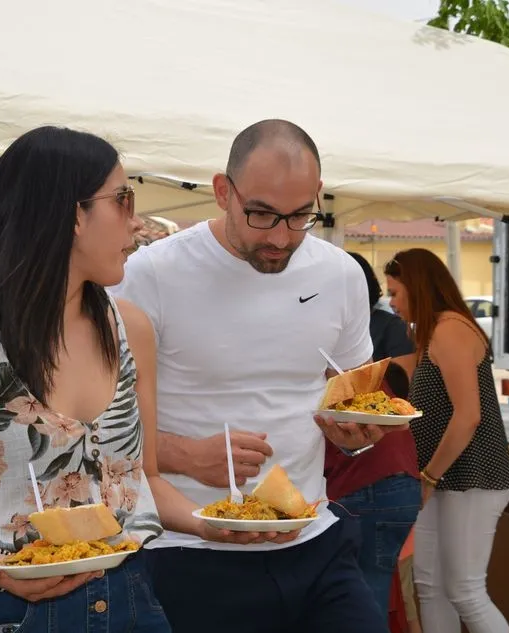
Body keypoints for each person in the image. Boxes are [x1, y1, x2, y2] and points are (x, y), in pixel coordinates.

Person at [111, 119, 398, 633]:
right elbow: (96, 427)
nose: (282, 237)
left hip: (313, 536)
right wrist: (184, 455)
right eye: (262, 214)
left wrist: (354, 434)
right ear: (224, 191)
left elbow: (352, 394)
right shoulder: (148, 274)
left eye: (301, 215)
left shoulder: (341, 274)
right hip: (186, 548)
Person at [0, 126, 178, 633]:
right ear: (73, 214)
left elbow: (144, 480)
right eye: (123, 199)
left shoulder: (129, 328)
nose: (136, 221)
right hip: (7, 611)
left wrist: (225, 524)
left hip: (132, 600)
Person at [384, 248, 509, 633]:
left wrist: (429, 476)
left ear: (417, 287)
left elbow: (468, 416)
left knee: (465, 591)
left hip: (473, 477)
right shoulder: (431, 333)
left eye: (395, 292)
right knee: (431, 589)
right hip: (440, 479)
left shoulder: (450, 329)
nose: (391, 302)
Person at [323, 251, 420, 620]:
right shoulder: (354, 353)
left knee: (361, 596)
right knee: (369, 590)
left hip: (367, 485)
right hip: (396, 480)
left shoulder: (334, 352)